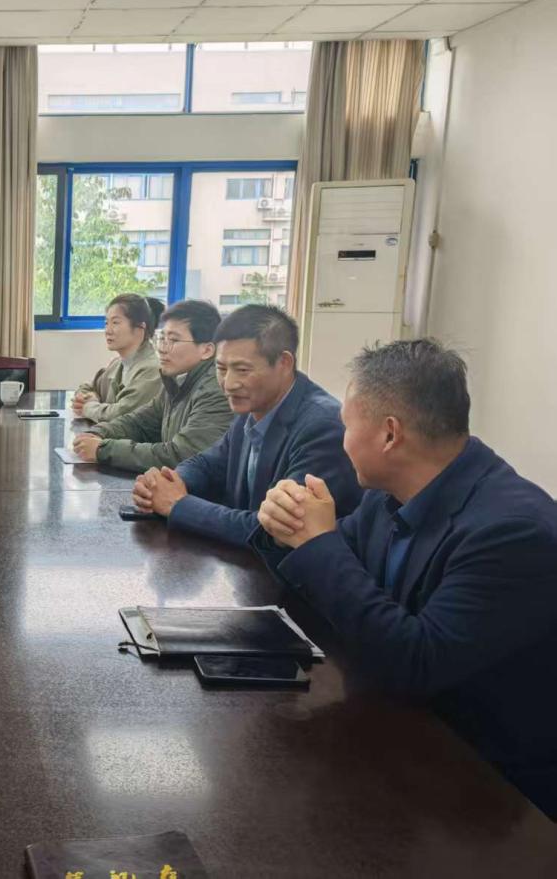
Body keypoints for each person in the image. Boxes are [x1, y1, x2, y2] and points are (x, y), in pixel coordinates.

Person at [254, 340, 557, 817]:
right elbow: (322, 586)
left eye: (347, 426)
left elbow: (417, 663)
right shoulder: (388, 494)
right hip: (398, 732)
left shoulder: (514, 532)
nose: (342, 441)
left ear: (389, 434)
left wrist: (317, 543)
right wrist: (285, 531)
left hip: (488, 791)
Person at [132, 303, 361, 547]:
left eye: (242, 370)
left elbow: (274, 529)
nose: (229, 384)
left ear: (284, 363)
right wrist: (168, 482)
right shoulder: (253, 405)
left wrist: (178, 505)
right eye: (221, 369)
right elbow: (207, 464)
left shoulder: (322, 427)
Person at [72, 299, 232, 473]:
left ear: (207, 350)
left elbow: (180, 455)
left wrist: (103, 450)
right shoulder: (177, 381)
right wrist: (97, 433)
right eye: (162, 338)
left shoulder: (216, 390)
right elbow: (139, 423)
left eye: (173, 340)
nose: (162, 349)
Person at [71, 294, 164, 422]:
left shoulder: (152, 370)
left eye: (115, 323)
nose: (108, 331)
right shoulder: (117, 364)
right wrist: (91, 396)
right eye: (106, 323)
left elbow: (119, 416)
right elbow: (86, 388)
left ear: (140, 328)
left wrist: (88, 407)